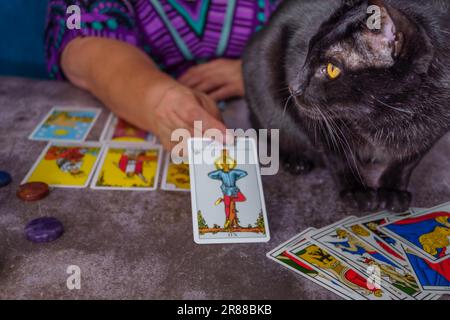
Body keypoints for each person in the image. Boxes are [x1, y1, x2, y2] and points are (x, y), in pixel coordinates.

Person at [45, 0, 281, 151]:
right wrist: (157, 98)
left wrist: (263, 71)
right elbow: (80, 46)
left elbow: (315, 29)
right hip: (145, 114)